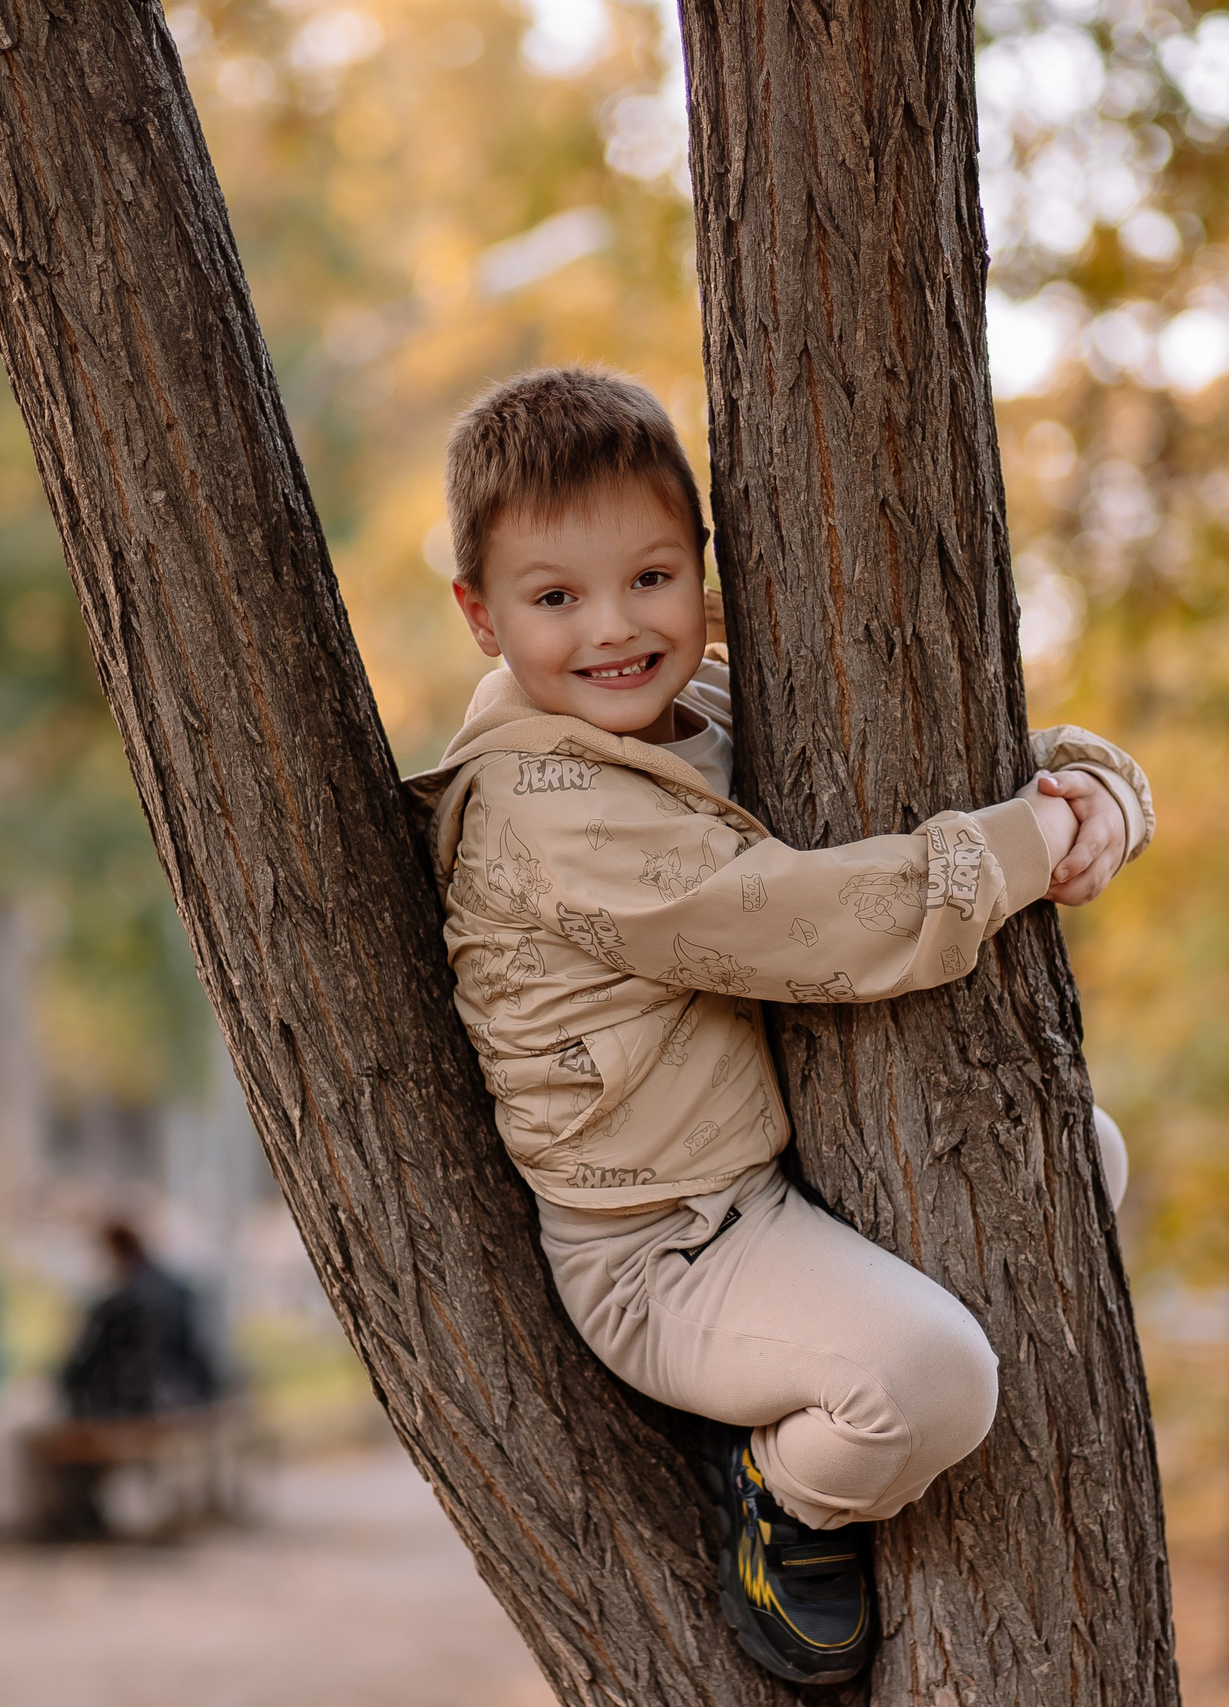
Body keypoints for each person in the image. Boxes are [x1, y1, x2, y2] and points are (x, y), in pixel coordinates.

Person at [410, 368, 1151, 1685]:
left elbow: (943, 768)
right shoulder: (544, 808)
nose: (614, 628)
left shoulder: (702, 708)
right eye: (555, 597)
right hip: (663, 1242)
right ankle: (782, 1491)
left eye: (649, 577)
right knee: (928, 1381)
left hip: (775, 1171)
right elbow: (806, 915)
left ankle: (811, 1396)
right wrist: (1026, 844)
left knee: (1072, 1158)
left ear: (701, 565)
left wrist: (1091, 789)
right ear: (481, 614)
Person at [57, 1220, 222, 1421]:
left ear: (114, 1251)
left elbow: (81, 1367)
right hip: (182, 1395)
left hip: (145, 1406)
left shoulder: (124, 1302)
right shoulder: (176, 1289)